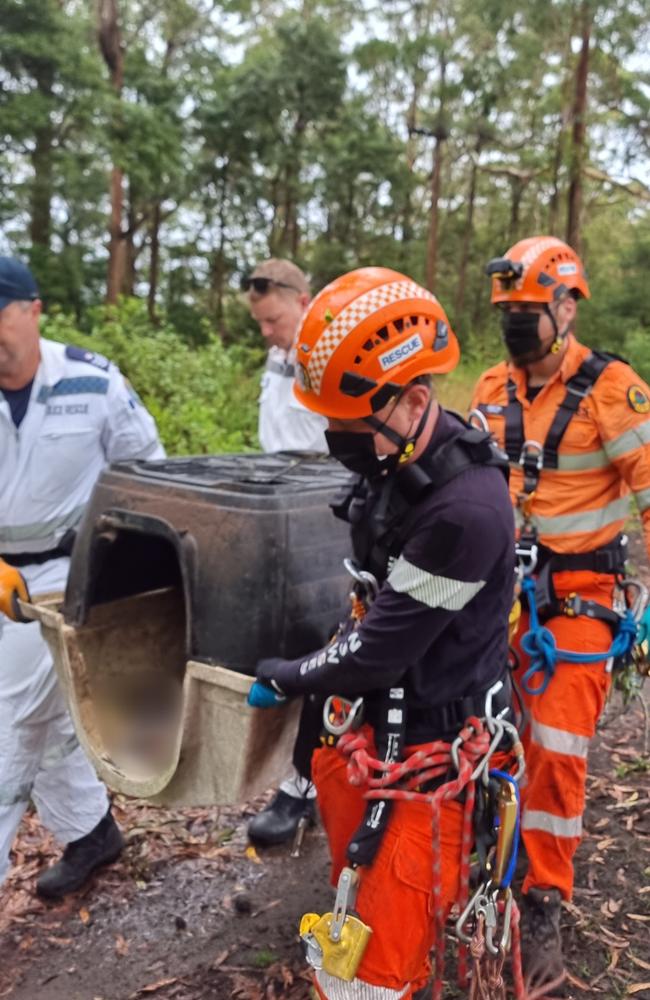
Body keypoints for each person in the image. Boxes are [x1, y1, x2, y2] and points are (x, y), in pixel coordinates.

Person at [248, 266, 516, 999]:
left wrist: (289, 673)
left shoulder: (466, 513)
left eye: (347, 422)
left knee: (374, 968)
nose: (335, 436)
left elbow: (377, 651)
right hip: (376, 732)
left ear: (415, 400)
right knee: (352, 891)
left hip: (430, 756)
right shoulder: (400, 459)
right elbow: (370, 602)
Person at [471, 235, 650, 993]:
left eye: (529, 310)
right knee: (482, 727)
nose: (517, 323)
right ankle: (489, 850)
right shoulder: (488, 388)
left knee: (557, 746)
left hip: (579, 596)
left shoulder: (613, 390)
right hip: (499, 594)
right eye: (507, 310)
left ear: (567, 306)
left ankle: (543, 898)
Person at [0, 257, 164, 900]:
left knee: (12, 726)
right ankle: (92, 830)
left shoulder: (92, 385)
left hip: (72, 573)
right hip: (2, 574)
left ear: (34, 309)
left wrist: (127, 569)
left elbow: (146, 471)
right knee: (46, 719)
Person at [243, 259, 329, 848]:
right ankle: (304, 774)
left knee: (321, 647)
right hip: (279, 510)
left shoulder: (330, 359)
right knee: (283, 645)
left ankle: (304, 785)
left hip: (325, 514)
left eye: (274, 319)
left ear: (304, 302)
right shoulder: (279, 358)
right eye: (261, 323)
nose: (268, 332)